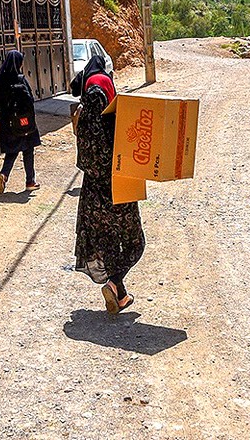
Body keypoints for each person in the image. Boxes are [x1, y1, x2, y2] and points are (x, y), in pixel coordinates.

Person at [73, 56, 145, 314]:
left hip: (93, 195)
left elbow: (86, 160)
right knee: (136, 244)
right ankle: (115, 283)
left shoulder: (83, 119)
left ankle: (120, 296)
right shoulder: (111, 124)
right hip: (118, 188)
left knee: (110, 247)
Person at [0, 50, 41, 193]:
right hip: (24, 121)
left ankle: (4, 174)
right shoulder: (20, 79)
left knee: (11, 151)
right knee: (28, 149)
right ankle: (30, 181)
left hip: (7, 122)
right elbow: (30, 99)